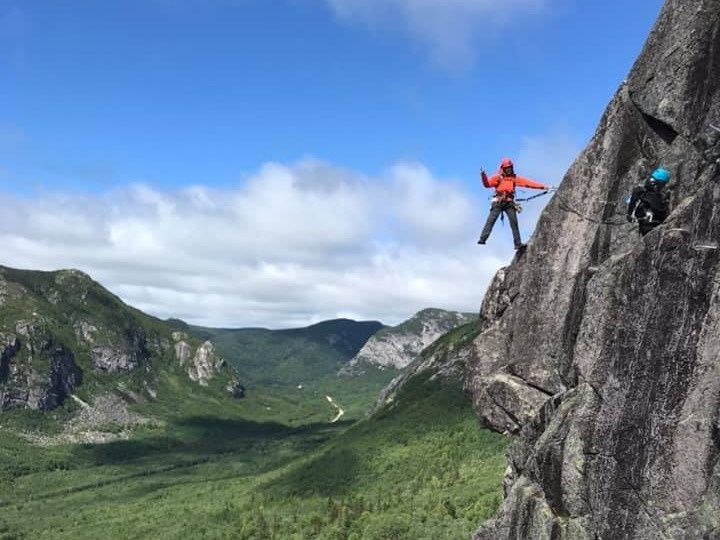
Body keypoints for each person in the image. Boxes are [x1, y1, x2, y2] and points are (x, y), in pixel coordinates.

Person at [477, 158, 549, 249]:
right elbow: (487, 184)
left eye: (509, 167)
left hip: (509, 203)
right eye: (507, 168)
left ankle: (517, 244)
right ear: (503, 168)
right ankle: (482, 239)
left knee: (514, 223)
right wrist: (483, 175)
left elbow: (528, 183)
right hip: (498, 202)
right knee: (491, 220)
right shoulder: (498, 177)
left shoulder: (513, 178)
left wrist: (543, 187)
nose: (508, 169)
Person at [626, 168, 671, 236]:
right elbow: (661, 213)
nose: (662, 187)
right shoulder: (652, 196)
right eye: (662, 185)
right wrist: (666, 202)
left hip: (643, 226)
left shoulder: (641, 192)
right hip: (649, 228)